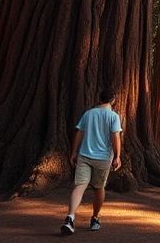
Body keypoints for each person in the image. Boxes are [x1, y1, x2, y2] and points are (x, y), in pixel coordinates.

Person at [62, 88, 123, 236]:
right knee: (98, 188)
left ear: (99, 99)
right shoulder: (113, 116)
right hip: (103, 158)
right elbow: (115, 137)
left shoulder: (88, 114)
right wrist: (117, 156)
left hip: (84, 155)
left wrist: (73, 152)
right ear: (112, 100)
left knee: (80, 186)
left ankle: (70, 217)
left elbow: (79, 133)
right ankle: (95, 218)